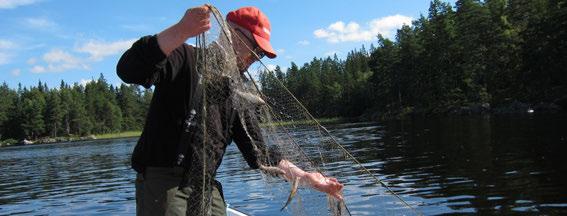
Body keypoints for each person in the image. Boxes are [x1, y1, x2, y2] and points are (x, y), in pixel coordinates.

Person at [117, 5, 343, 216]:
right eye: (254, 48)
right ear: (231, 33)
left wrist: (305, 177)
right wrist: (182, 30)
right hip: (164, 181)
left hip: (205, 185)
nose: (256, 58)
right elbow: (129, 70)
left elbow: (259, 153)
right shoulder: (184, 58)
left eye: (260, 54)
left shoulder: (239, 90)